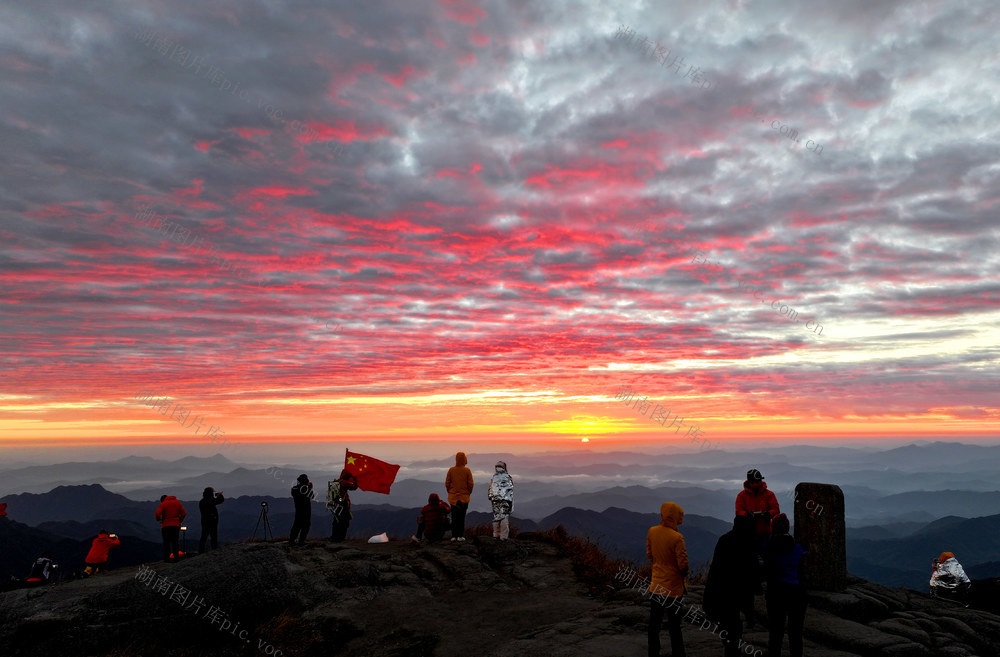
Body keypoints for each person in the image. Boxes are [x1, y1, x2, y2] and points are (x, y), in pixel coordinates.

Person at [703, 515, 760, 657]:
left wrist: (708, 599)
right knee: (735, 632)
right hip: (740, 594)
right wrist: (751, 607)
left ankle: (730, 651)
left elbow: (715, 569)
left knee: (728, 631)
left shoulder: (724, 540)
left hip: (722, 594)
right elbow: (752, 571)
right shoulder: (749, 543)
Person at [646, 502, 688, 657]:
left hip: (656, 585)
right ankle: (678, 654)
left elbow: (649, 554)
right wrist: (683, 574)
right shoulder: (677, 537)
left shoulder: (652, 531)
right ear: (676, 516)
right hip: (673, 588)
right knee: (674, 626)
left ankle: (653, 653)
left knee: (654, 624)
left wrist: (658, 566)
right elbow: (683, 565)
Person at [765, 513, 807, 657]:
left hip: (775, 592)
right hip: (796, 593)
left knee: (775, 632)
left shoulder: (767, 547)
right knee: (796, 633)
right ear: (788, 527)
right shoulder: (798, 548)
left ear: (772, 528)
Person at [735, 469, 781, 545]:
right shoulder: (741, 496)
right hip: (748, 534)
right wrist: (747, 514)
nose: (759, 483)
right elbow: (738, 512)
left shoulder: (769, 494)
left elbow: (776, 509)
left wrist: (768, 514)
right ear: (750, 482)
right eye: (757, 481)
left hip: (766, 533)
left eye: (760, 480)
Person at [445, 451, 474, 542]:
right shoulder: (467, 470)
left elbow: (447, 483)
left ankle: (454, 536)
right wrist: (468, 493)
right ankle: (460, 536)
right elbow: (471, 484)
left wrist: (450, 492)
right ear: (464, 459)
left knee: (454, 517)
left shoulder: (451, 470)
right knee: (462, 517)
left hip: (453, 498)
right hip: (464, 498)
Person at [326, 469, 358, 543]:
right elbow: (354, 487)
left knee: (337, 520)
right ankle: (340, 538)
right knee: (344, 521)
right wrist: (354, 479)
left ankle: (334, 536)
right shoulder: (344, 483)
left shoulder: (338, 482)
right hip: (342, 505)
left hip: (336, 504)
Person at [155, 494, 187, 562]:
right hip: (176, 525)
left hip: (166, 525)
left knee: (166, 542)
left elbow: (157, 514)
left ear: (162, 500)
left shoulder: (163, 504)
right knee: (175, 542)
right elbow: (184, 513)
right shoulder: (178, 503)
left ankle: (167, 558)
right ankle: (176, 558)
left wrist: (159, 519)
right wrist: (180, 520)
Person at [487, 461, 514, 540]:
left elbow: (490, 488)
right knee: (504, 517)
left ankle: (496, 535)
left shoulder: (494, 477)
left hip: (495, 500)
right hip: (505, 500)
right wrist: (510, 502)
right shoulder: (508, 477)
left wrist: (491, 497)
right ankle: (504, 537)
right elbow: (510, 489)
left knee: (496, 517)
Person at [289, 474, 314, 546]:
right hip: (306, 510)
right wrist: (310, 488)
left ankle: (292, 540)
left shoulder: (294, 488)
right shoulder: (306, 489)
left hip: (298, 509)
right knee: (305, 525)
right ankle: (301, 541)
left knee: (296, 525)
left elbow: (294, 493)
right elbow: (312, 496)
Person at [198, 487, 225, 553]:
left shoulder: (202, 501)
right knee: (213, 536)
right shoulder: (211, 500)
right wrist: (219, 495)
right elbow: (221, 500)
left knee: (204, 537)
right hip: (213, 521)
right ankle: (214, 550)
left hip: (204, 521)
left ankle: (201, 551)